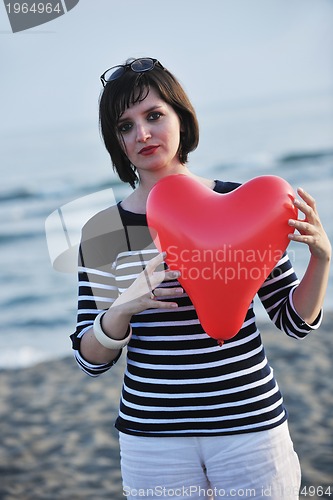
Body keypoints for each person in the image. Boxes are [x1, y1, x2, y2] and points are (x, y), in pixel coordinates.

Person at [70, 57, 331, 500]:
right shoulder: (103, 230)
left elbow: (293, 322)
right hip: (152, 439)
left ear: (182, 117)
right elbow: (89, 358)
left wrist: (321, 260)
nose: (143, 134)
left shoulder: (246, 203)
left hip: (250, 426)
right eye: (125, 126)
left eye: (154, 115)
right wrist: (124, 308)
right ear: (117, 142)